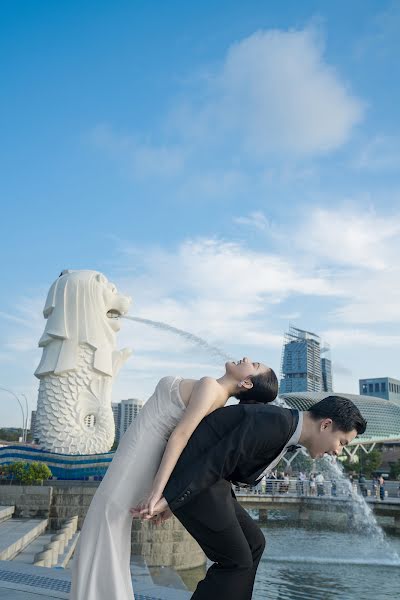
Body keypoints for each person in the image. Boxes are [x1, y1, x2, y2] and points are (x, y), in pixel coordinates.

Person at [70, 357, 277, 600]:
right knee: (109, 520)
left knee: (106, 517)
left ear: (247, 383)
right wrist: (169, 498)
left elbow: (180, 437)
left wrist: (159, 495)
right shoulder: (218, 400)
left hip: (141, 450)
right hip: (143, 451)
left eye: (254, 365)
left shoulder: (211, 387)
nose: (247, 359)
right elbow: (189, 450)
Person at [136, 396, 367, 600]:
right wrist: (172, 499)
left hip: (211, 482)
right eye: (342, 443)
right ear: (326, 425)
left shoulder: (284, 426)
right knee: (236, 561)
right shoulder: (275, 423)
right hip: (195, 476)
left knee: (254, 544)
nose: (338, 451)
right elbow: (216, 460)